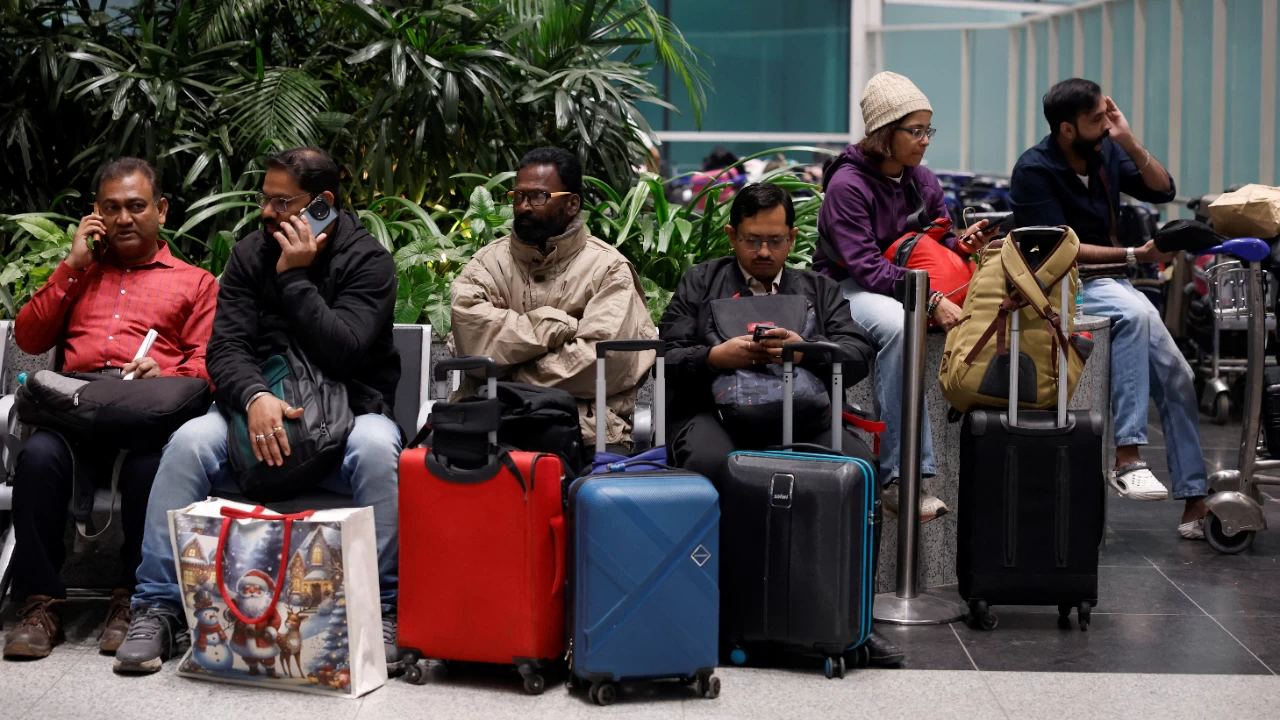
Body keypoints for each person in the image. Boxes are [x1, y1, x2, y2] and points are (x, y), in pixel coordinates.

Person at [116, 147, 404, 673]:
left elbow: (347, 351)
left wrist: (295, 278)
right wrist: (254, 397)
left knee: (378, 446)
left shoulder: (368, 261)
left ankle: (383, 608)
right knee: (188, 444)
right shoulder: (251, 253)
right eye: (263, 199)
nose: (267, 212)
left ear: (323, 204)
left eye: (281, 202)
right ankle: (156, 606)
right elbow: (224, 348)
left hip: (347, 416)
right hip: (256, 422)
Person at [660, 182, 901, 667]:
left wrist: (804, 350)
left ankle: (856, 622)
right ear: (732, 236)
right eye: (752, 240)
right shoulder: (700, 283)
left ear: (792, 239)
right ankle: (704, 616)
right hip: (717, 415)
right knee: (707, 465)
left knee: (856, 468)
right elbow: (665, 355)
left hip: (806, 413)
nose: (764, 251)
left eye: (774, 240)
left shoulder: (817, 289)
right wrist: (714, 356)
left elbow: (856, 353)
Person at [2, 158, 217, 661]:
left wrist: (164, 375)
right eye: (112, 208)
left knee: (152, 468)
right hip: (74, 406)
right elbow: (31, 338)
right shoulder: (81, 275)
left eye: (137, 207)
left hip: (146, 412)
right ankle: (41, 604)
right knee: (38, 460)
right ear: (96, 214)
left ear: (161, 210)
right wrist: (72, 266)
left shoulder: (196, 282)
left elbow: (207, 362)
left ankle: (131, 600)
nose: (124, 218)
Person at [1010, 78, 1207, 539]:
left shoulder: (1107, 152)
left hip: (1115, 282)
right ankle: (1128, 457)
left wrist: (1129, 140)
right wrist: (1138, 256)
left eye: (1107, 115)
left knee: (1178, 377)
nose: (1104, 124)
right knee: (1135, 315)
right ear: (1065, 128)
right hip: (1066, 285)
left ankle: (1196, 504)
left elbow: (1162, 190)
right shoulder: (1034, 169)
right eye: (1096, 119)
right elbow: (1058, 250)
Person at [814, 72, 1000, 522]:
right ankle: (901, 478)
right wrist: (932, 300)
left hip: (909, 282)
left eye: (927, 130)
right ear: (884, 132)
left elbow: (937, 238)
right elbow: (867, 268)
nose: (925, 141)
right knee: (900, 324)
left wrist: (963, 246)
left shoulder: (922, 180)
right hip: (847, 287)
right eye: (914, 131)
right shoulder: (848, 187)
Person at [450, 147, 657, 449]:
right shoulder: (485, 265)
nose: (523, 207)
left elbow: (602, 365)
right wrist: (556, 325)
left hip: (587, 431)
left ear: (572, 203)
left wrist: (506, 371)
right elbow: (474, 347)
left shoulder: (609, 270)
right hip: (490, 423)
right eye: (518, 197)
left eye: (538, 197)